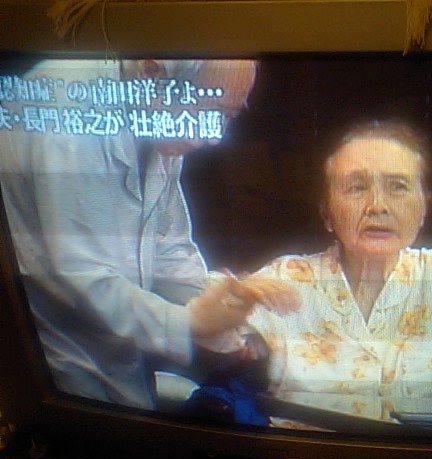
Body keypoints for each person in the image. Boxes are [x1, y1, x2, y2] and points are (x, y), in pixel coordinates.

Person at [0, 58, 290, 410]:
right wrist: (187, 323)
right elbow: (80, 274)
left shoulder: (161, 118)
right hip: (58, 356)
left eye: (228, 115)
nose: (213, 137)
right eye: (210, 111)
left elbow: (168, 247)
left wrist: (227, 309)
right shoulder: (70, 109)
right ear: (151, 72)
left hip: (118, 353)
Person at [193, 119, 432, 430]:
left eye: (398, 187)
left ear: (423, 209)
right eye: (356, 188)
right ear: (327, 212)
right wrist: (230, 302)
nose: (377, 206)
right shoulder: (289, 278)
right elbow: (202, 329)